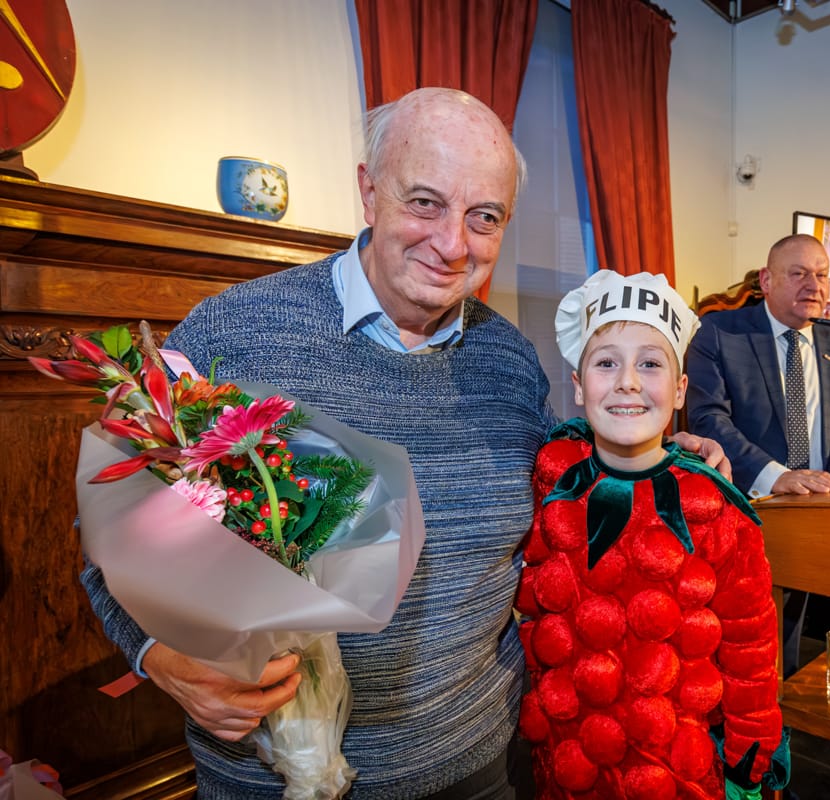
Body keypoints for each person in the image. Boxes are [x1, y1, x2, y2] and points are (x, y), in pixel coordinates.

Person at [79, 88, 725, 800]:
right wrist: (158, 657)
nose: (454, 244)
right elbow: (108, 531)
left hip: (477, 766)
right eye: (425, 202)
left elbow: (568, 490)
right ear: (368, 191)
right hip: (271, 782)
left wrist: (663, 455)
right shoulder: (232, 333)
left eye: (485, 218)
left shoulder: (510, 362)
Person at [517, 270, 788, 799]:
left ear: (681, 388)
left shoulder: (718, 509)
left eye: (650, 363)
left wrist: (749, 765)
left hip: (681, 774)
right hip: (564, 767)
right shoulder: (551, 480)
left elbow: (750, 649)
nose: (629, 382)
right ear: (577, 385)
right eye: (606, 363)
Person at [685, 233, 830, 498]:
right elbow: (709, 422)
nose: (813, 286)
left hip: (829, 500)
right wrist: (774, 476)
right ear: (766, 280)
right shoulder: (718, 334)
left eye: (821, 276)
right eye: (799, 274)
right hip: (750, 502)